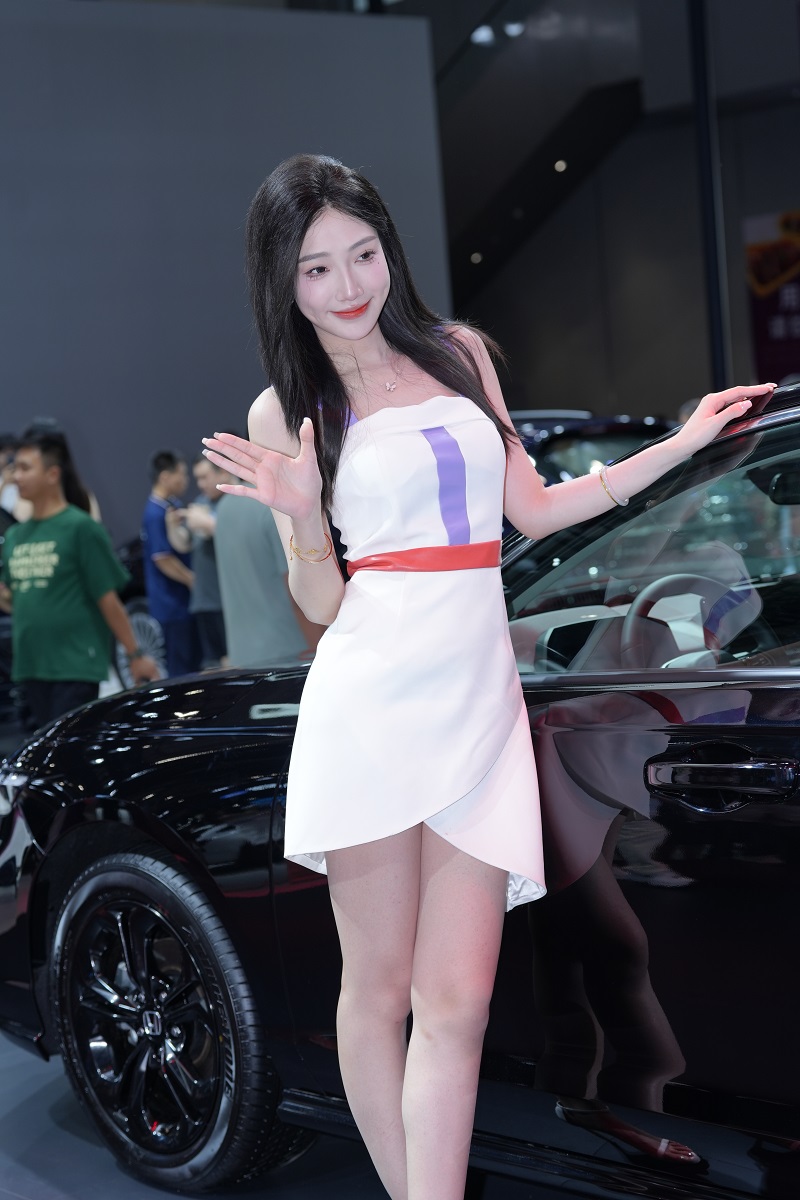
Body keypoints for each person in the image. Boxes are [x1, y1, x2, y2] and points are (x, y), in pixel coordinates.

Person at [201, 153, 775, 1200]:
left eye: (363, 254)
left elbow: (536, 509)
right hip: (371, 704)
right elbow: (322, 604)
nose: (348, 286)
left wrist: (680, 443)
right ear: (282, 281)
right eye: (317, 269)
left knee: (458, 1003)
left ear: (389, 246)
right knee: (377, 991)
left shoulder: (459, 353)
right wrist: (300, 518)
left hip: (478, 703)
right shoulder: (286, 410)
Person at [0, 431, 160, 728]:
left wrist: (135, 654)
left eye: (25, 468)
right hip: (30, 668)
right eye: (14, 468)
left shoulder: (81, 529)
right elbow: (14, 600)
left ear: (52, 474)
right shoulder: (14, 537)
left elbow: (107, 600)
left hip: (73, 667)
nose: (16, 476)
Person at [214, 491, 318, 667]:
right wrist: (321, 649)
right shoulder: (276, 507)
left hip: (243, 655)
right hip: (291, 653)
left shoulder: (224, 507)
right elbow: (300, 593)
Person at [141, 450, 201, 677]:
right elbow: (162, 559)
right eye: (181, 475)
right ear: (165, 477)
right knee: (182, 670)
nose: (186, 480)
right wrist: (191, 579)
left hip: (184, 602)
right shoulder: (154, 514)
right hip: (172, 606)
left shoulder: (172, 505)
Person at [166, 455, 230, 669]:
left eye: (204, 477)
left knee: (235, 662)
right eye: (197, 479)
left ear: (223, 472)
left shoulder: (234, 502)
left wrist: (208, 523)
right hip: (204, 600)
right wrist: (173, 527)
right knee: (214, 664)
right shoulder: (200, 504)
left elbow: (235, 536)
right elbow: (184, 544)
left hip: (227, 599)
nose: (200, 484)